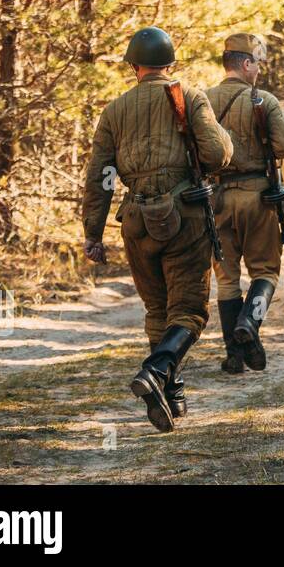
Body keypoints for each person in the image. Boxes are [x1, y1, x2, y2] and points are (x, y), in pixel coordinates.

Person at [82, 26, 232, 432]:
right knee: (189, 311)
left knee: (157, 310)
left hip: (136, 219)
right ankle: (156, 369)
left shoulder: (114, 111)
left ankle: (170, 395)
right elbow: (217, 155)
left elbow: (100, 177)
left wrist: (92, 234)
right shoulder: (190, 97)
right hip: (185, 216)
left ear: (134, 67)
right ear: (171, 63)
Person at [206, 33, 284, 374]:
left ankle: (234, 356)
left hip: (215, 201)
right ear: (246, 64)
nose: (259, 71)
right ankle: (250, 323)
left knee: (227, 280)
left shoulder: (201, 101)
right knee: (266, 272)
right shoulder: (264, 101)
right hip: (258, 198)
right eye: (257, 64)